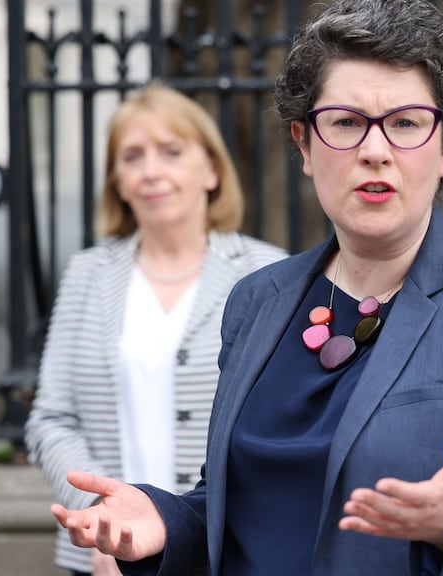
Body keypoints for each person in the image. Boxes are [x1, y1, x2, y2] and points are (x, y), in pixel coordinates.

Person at [50, 0, 443, 574]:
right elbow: (240, 510)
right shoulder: (258, 300)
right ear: (304, 143)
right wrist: (165, 521)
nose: (375, 151)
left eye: (404, 123)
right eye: (346, 123)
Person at [25, 83, 287, 576]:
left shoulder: (269, 274)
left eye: (171, 151)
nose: (151, 172)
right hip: (101, 557)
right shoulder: (87, 274)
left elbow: (282, 425)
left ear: (211, 169)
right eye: (132, 156)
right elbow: (51, 418)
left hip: (225, 552)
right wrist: (106, 521)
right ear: (117, 181)